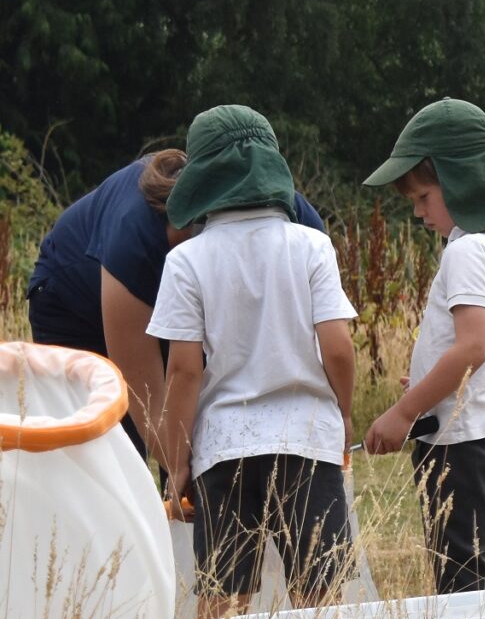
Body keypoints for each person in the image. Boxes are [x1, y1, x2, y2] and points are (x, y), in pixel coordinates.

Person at [148, 108, 359, 619]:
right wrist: (344, 415)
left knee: (222, 599)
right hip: (308, 442)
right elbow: (337, 346)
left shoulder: (186, 261)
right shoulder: (312, 245)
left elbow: (183, 371)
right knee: (319, 601)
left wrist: (177, 461)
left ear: (201, 177)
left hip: (225, 451)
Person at [26, 147, 325, 462]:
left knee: (196, 417)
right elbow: (148, 401)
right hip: (73, 304)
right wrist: (184, 470)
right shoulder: (133, 239)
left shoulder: (302, 225)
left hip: (152, 290)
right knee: (114, 446)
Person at [360, 100, 485, 595]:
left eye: (422, 196)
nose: (419, 213)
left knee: (460, 583)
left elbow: (472, 349)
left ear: (461, 181)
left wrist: (406, 410)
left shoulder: (466, 251)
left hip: (456, 446)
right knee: (482, 576)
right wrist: (433, 386)